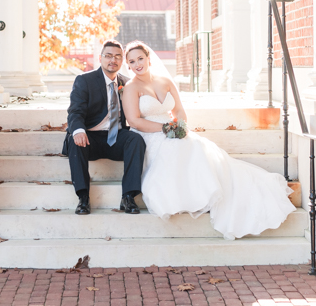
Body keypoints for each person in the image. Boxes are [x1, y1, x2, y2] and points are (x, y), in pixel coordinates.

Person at [121, 40, 296, 239]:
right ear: (129, 65)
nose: (137, 64)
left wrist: (180, 126)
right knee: (174, 151)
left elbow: (178, 110)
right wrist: (164, 128)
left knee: (196, 145)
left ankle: (211, 193)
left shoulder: (165, 81)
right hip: (150, 133)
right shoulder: (131, 87)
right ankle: (192, 197)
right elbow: (134, 121)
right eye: (132, 62)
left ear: (148, 58)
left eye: (140, 59)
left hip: (171, 129)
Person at [62, 40, 147, 215]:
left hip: (116, 138)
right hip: (90, 138)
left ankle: (128, 197)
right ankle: (83, 198)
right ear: (100, 58)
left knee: (136, 139)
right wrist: (78, 130)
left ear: (122, 61)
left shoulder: (128, 83)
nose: (112, 60)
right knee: (73, 138)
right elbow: (75, 111)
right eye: (108, 56)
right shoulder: (84, 80)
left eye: (117, 56)